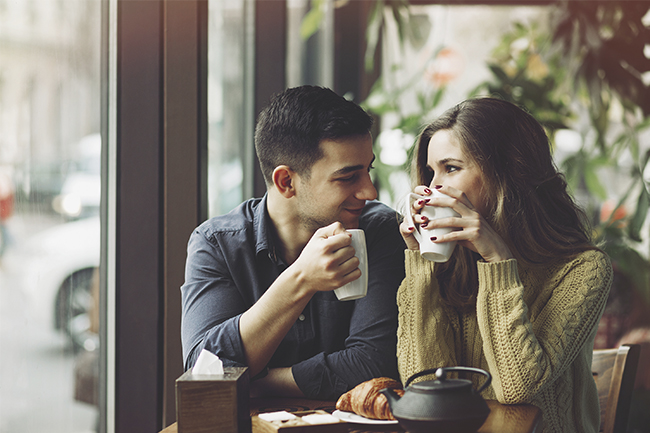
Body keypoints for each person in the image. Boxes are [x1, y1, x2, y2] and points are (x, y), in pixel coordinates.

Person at [397, 98, 612, 433]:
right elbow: (421, 385)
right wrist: (421, 265)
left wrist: (497, 261)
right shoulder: (450, 264)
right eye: (430, 172)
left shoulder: (584, 269)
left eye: (450, 168)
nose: (432, 187)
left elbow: (517, 388)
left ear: (507, 173)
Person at [181, 85, 405, 400]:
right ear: (286, 182)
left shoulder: (380, 231)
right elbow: (204, 374)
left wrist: (255, 382)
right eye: (348, 177)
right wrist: (300, 279)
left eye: (368, 171)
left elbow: (374, 364)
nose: (370, 192)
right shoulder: (218, 245)